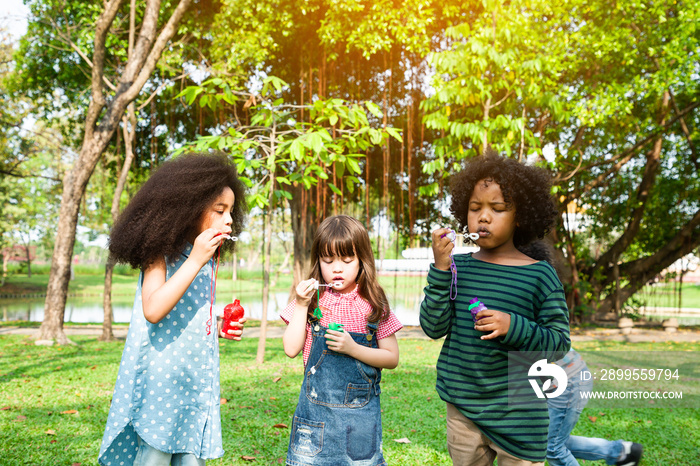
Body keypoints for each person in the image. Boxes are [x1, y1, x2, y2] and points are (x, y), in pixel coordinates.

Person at [419, 150, 571, 466]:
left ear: (521, 216)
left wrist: (512, 326)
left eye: (497, 208)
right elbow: (433, 327)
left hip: (519, 414)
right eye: (475, 208)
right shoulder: (457, 268)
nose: (484, 216)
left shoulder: (539, 274)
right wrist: (441, 269)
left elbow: (558, 342)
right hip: (463, 408)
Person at [98, 153, 247, 466]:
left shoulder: (205, 259)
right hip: (160, 383)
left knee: (190, 456)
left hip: (193, 380)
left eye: (231, 211)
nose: (229, 219)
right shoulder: (160, 253)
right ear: (188, 209)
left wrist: (218, 323)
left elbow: (186, 311)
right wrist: (194, 260)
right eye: (219, 210)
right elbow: (154, 309)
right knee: (156, 454)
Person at [280, 215, 403, 465]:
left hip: (361, 418)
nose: (337, 268)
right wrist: (302, 305)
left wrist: (353, 348)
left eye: (347, 260)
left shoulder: (373, 304)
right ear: (318, 261)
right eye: (328, 260)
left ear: (362, 262)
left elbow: (391, 358)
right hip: (315, 415)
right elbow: (291, 349)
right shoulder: (312, 302)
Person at [547, 352, 644, 466]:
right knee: (553, 439)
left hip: (566, 381)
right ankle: (621, 452)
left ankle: (619, 452)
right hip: (566, 377)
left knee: (552, 447)